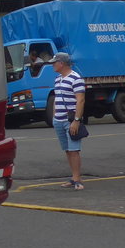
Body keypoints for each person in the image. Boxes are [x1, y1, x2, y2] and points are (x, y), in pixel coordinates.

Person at [49, 52, 86, 189]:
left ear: (61, 63)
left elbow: (80, 100)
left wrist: (76, 120)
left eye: (54, 62)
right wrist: (54, 116)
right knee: (67, 150)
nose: (53, 65)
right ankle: (73, 177)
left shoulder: (76, 78)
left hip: (70, 120)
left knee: (74, 150)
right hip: (58, 120)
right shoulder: (57, 79)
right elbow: (56, 98)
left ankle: (77, 179)